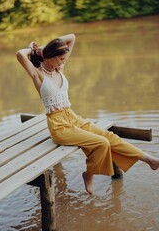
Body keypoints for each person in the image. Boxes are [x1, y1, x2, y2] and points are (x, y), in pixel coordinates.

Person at [16, 33, 159, 195]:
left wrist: (44, 48)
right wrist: (34, 49)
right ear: (51, 57)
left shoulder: (59, 68)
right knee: (101, 142)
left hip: (72, 116)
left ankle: (149, 160)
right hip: (59, 126)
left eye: (64, 59)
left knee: (109, 136)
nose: (63, 62)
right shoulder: (38, 75)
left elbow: (72, 37)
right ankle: (89, 174)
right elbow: (20, 55)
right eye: (61, 59)